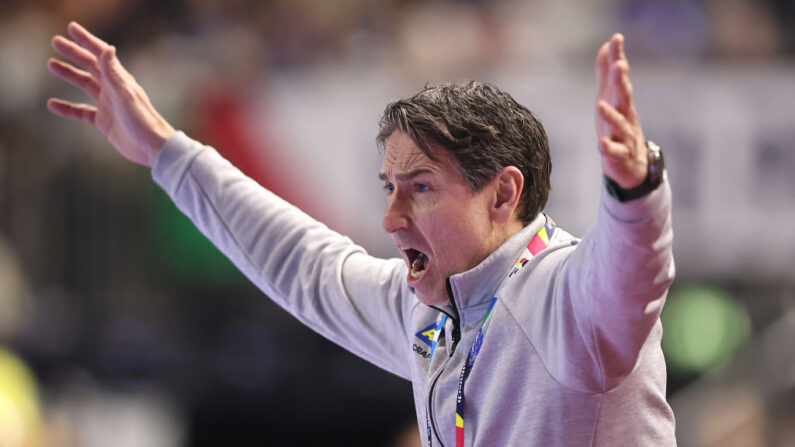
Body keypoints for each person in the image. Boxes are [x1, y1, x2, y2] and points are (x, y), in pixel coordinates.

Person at [47, 22, 675, 446]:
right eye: (389, 187)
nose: (392, 217)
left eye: (421, 187)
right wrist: (164, 152)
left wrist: (635, 188)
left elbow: (632, 269)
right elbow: (303, 262)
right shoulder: (433, 308)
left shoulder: (570, 299)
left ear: (503, 194)